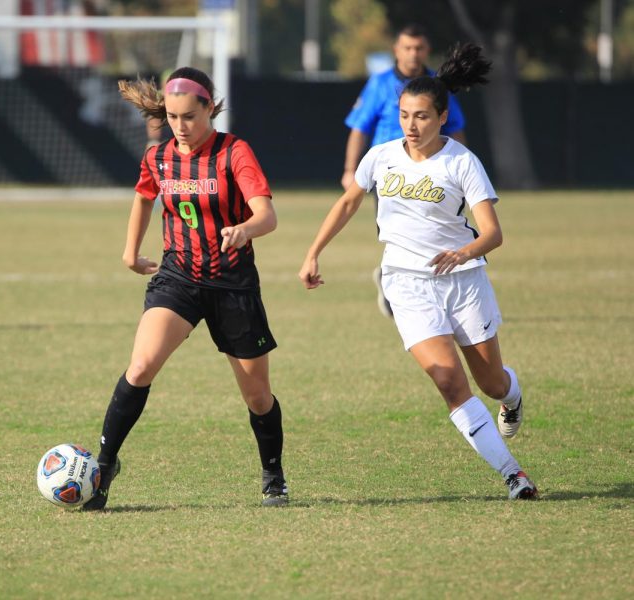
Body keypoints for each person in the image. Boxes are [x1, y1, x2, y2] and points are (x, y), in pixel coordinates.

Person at [300, 44, 538, 500]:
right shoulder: (382, 156)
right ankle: (513, 475)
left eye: (423, 116)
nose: (412, 125)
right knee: (449, 382)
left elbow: (493, 233)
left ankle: (512, 396)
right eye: (405, 115)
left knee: (490, 383)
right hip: (406, 283)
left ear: (443, 117)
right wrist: (314, 253)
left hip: (465, 283)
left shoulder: (462, 163)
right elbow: (349, 201)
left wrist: (463, 253)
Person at [83, 66, 289, 510]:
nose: (180, 126)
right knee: (140, 368)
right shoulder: (158, 157)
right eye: (173, 117)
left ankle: (272, 472)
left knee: (257, 396)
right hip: (178, 278)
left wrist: (245, 230)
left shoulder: (235, 153)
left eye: (190, 117)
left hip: (233, 284)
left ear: (210, 108)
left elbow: (266, 215)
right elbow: (143, 196)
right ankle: (103, 466)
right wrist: (130, 251)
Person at [342, 24, 467, 318]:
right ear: (396, 50)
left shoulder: (438, 84)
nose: (413, 54)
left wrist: (463, 167)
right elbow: (360, 128)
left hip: (433, 171)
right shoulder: (380, 83)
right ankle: (393, 281)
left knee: (434, 230)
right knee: (396, 234)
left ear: (426, 51)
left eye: (419, 48)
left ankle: (426, 290)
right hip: (390, 174)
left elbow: (456, 128)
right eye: (407, 48)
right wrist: (350, 169)